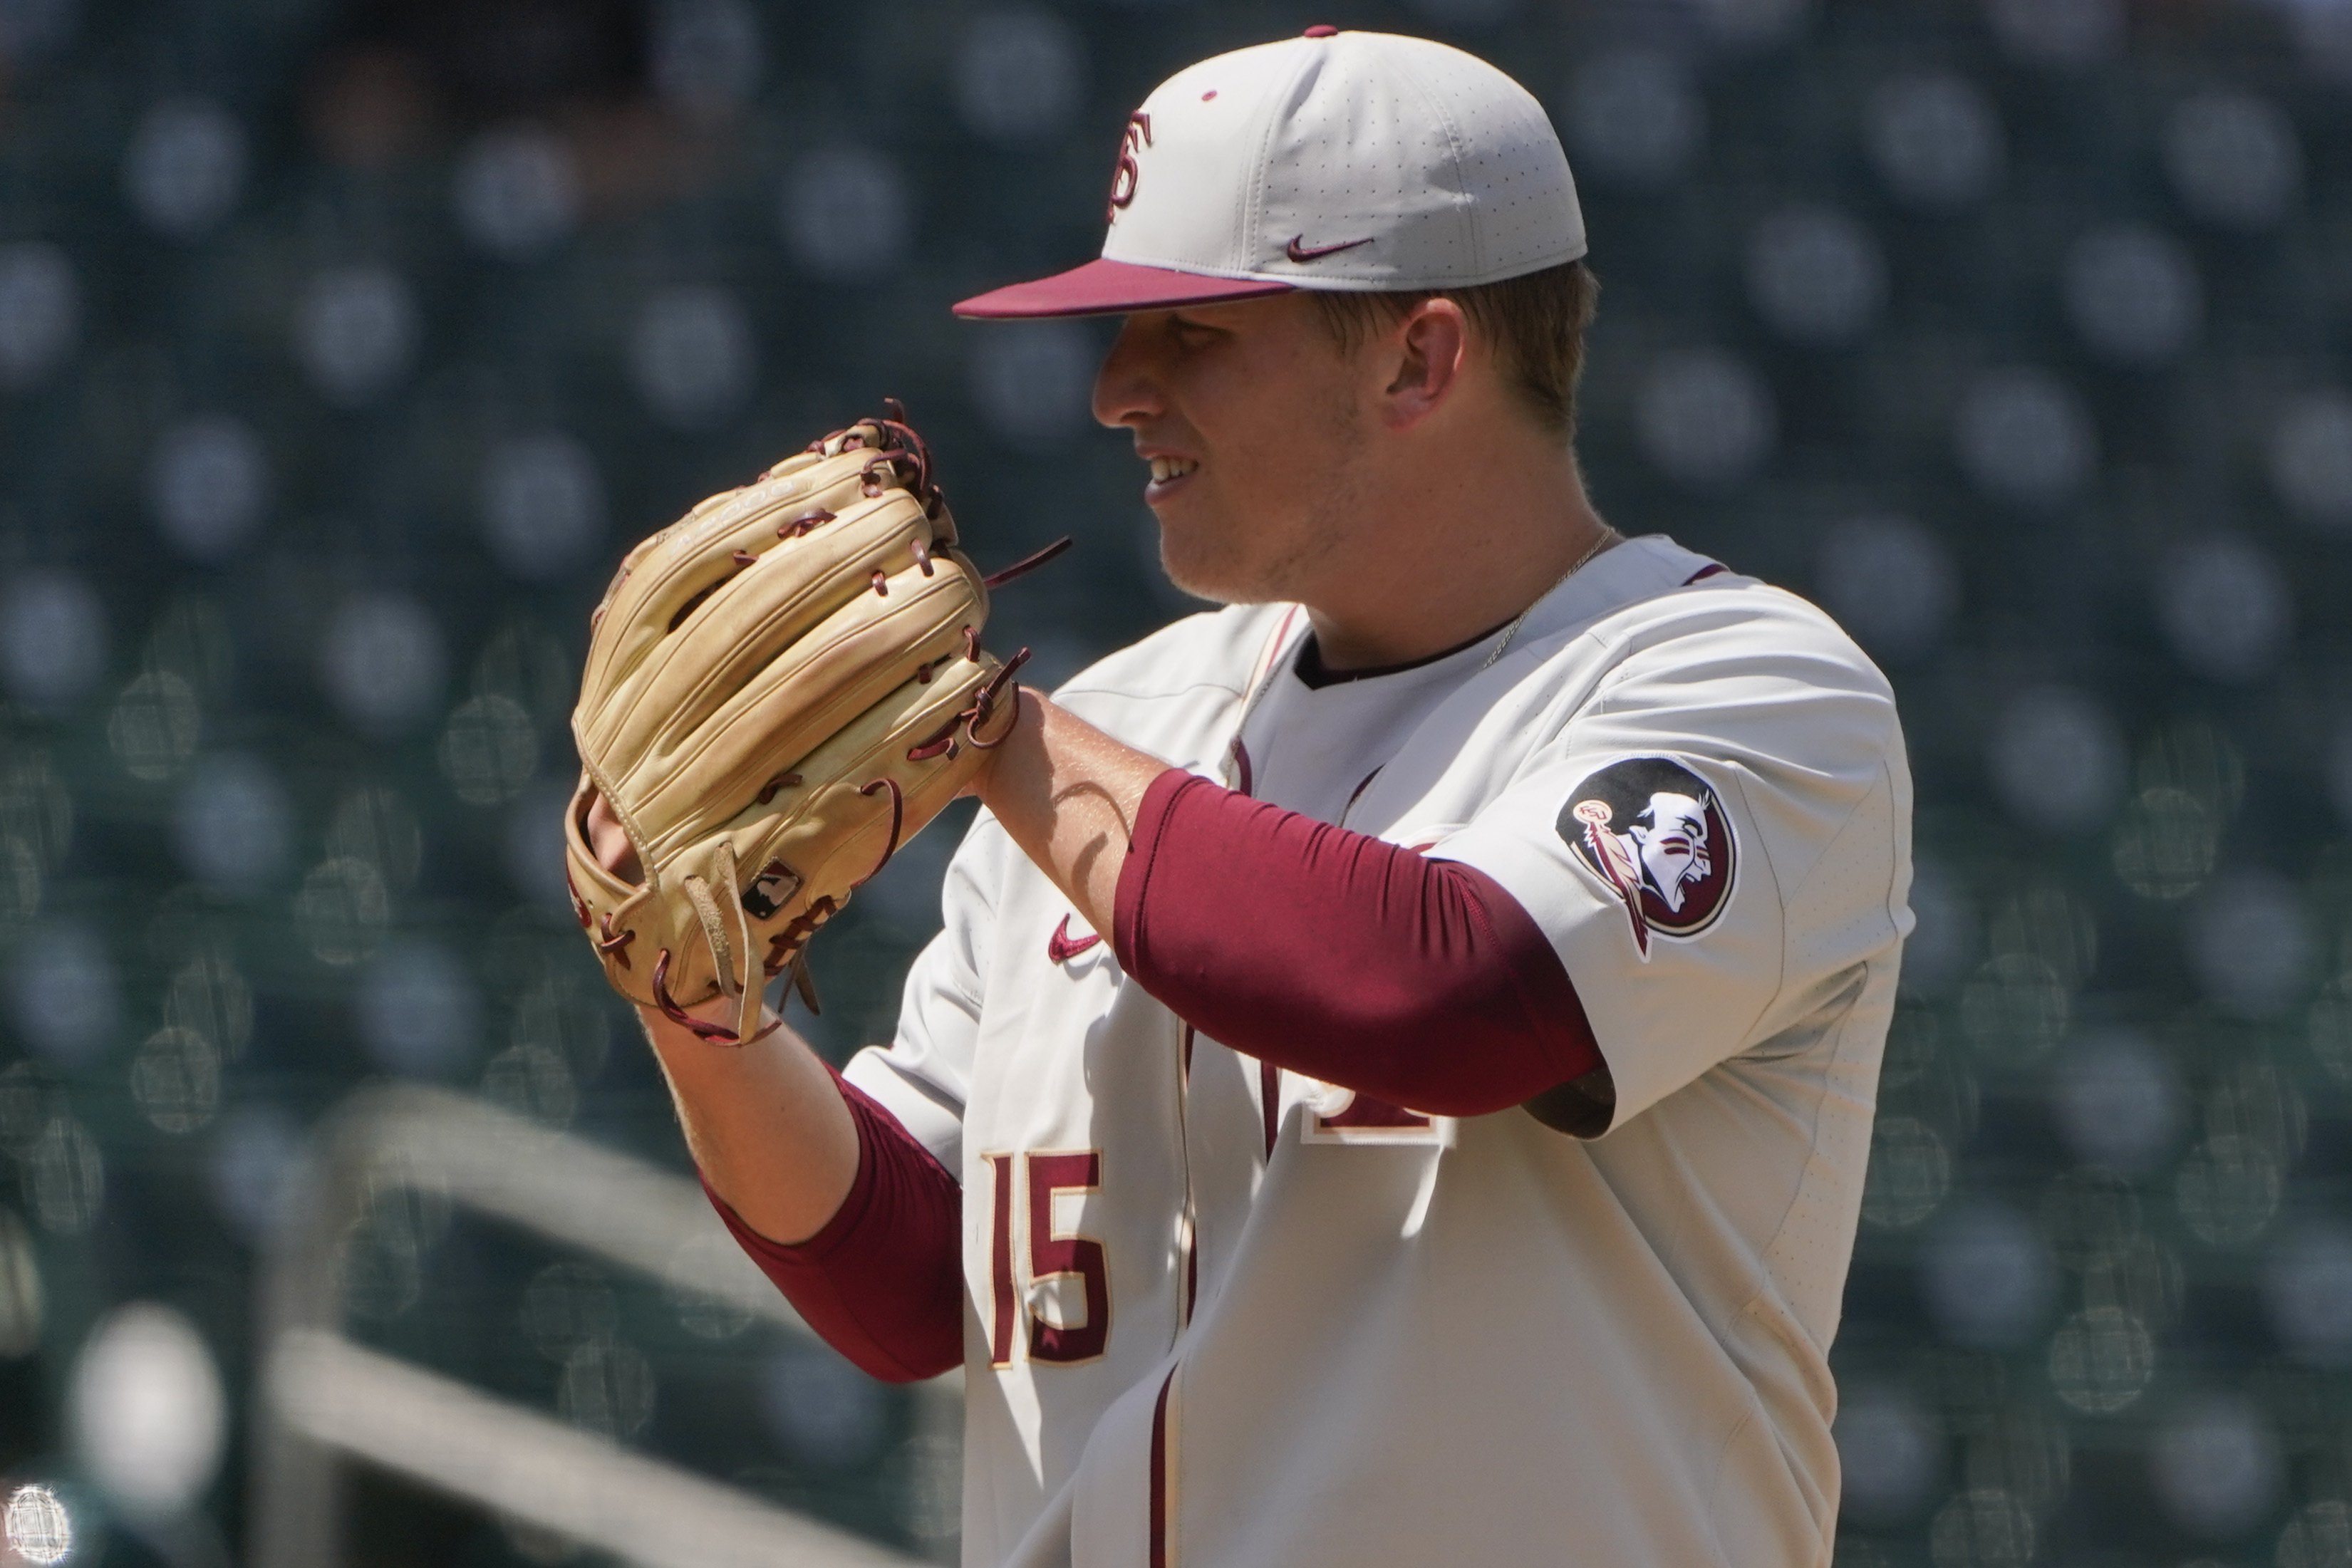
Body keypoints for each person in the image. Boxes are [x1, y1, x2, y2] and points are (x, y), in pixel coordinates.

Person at [586, 28, 1912, 1567]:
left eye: (1192, 331)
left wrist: (998, 740)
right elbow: (907, 1280)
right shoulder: (1110, 732)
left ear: (1421, 357)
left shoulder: (1741, 693)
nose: (1113, 391)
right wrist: (701, 1019)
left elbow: (1452, 994)